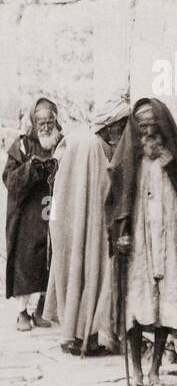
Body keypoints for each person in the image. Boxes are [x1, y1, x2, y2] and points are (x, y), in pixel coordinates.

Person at [107, 98, 177, 386]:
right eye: (141, 126)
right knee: (135, 306)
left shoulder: (172, 162)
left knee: (165, 308)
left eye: (152, 126)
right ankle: (136, 373)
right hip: (137, 249)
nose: (147, 132)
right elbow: (115, 202)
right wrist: (120, 231)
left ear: (162, 128)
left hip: (169, 245)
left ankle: (156, 371)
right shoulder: (127, 163)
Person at [45, 93, 129, 354]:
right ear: (111, 126)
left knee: (76, 274)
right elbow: (102, 191)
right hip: (83, 223)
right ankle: (86, 339)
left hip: (70, 222)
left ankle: (73, 335)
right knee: (89, 273)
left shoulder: (83, 140)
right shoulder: (93, 147)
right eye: (123, 125)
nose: (125, 131)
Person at [5, 98, 62, 331]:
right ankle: (22, 313)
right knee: (26, 259)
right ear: (33, 122)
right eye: (41, 123)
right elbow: (9, 180)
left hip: (51, 209)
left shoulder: (61, 143)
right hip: (28, 213)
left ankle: (41, 309)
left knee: (49, 258)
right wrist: (31, 167)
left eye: (50, 122)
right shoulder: (22, 146)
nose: (46, 127)